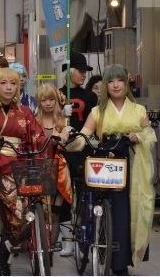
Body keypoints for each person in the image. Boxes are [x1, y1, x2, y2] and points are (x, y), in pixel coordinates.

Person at [0, 68, 69, 276]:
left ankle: (6, 248)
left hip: (19, 169)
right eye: (3, 83)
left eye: (13, 83)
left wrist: (52, 139)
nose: (8, 87)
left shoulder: (25, 112)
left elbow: (37, 137)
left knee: (26, 216)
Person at [66, 64, 156, 274]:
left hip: (133, 163)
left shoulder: (139, 110)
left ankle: (123, 260)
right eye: (111, 81)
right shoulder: (97, 111)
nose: (116, 85)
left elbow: (151, 136)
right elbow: (84, 136)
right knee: (114, 209)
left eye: (120, 80)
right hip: (108, 162)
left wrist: (139, 136)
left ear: (126, 83)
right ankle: (110, 257)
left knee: (133, 209)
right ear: (105, 85)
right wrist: (69, 140)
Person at [58, 51, 97, 256]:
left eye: (85, 71)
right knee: (64, 196)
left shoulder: (90, 96)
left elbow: (96, 122)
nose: (84, 75)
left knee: (84, 196)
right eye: (80, 71)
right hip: (62, 152)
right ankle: (67, 241)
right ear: (69, 72)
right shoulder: (57, 94)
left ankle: (83, 240)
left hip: (84, 151)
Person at [35, 83, 73, 254]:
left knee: (56, 212)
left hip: (60, 170)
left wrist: (67, 134)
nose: (48, 103)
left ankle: (50, 249)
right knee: (43, 212)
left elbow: (69, 145)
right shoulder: (35, 121)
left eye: (51, 99)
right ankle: (42, 245)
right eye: (44, 100)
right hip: (41, 168)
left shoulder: (63, 120)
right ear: (39, 102)